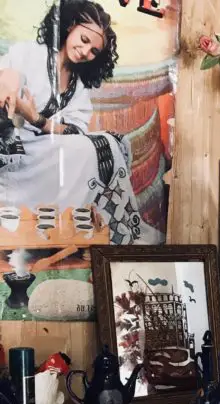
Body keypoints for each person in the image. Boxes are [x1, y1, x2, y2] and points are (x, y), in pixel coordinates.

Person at [0, 0, 152, 243]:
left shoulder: (77, 85)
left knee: (102, 143)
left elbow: (73, 131)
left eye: (94, 51)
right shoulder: (31, 53)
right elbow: (8, 76)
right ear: (70, 26)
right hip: (12, 153)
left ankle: (116, 229)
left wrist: (36, 119)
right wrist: (11, 88)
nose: (85, 52)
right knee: (96, 144)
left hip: (44, 152)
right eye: (84, 40)